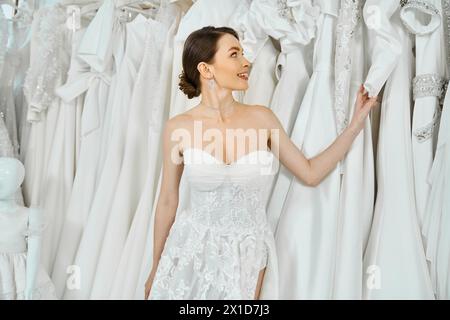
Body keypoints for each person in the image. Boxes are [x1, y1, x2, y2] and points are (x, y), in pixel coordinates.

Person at [144, 26, 377, 300]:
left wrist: (354, 127)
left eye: (243, 53)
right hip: (190, 250)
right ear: (206, 69)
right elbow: (168, 201)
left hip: (249, 251)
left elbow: (310, 173)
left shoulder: (262, 119)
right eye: (234, 54)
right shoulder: (178, 128)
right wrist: (156, 267)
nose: (246, 62)